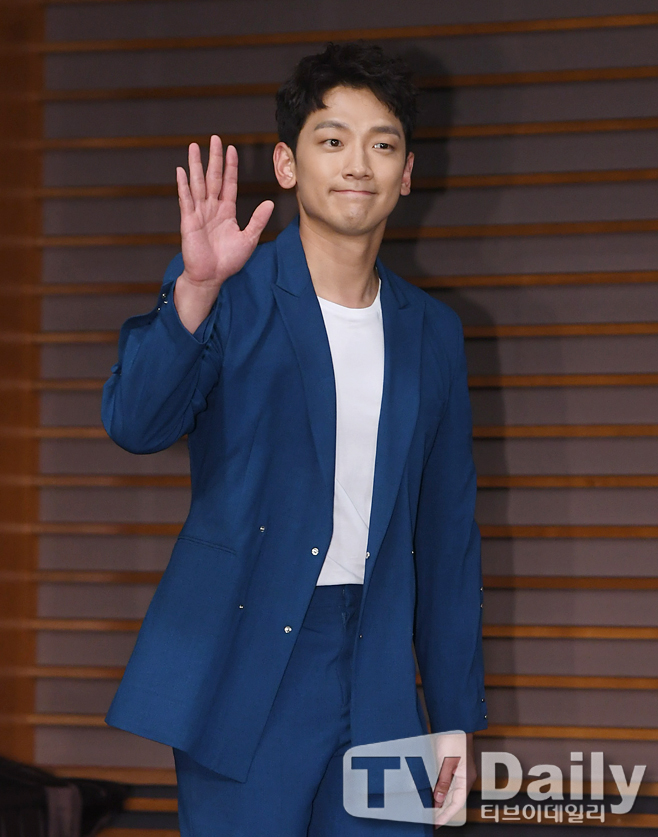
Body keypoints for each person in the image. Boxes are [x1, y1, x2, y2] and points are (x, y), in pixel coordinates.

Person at [102, 42, 487, 836]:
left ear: (407, 174)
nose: (358, 164)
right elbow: (135, 423)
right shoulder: (229, 292)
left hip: (379, 663)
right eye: (332, 139)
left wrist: (454, 715)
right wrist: (195, 288)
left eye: (383, 144)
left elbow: (449, 537)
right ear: (286, 163)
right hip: (249, 660)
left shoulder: (434, 332)